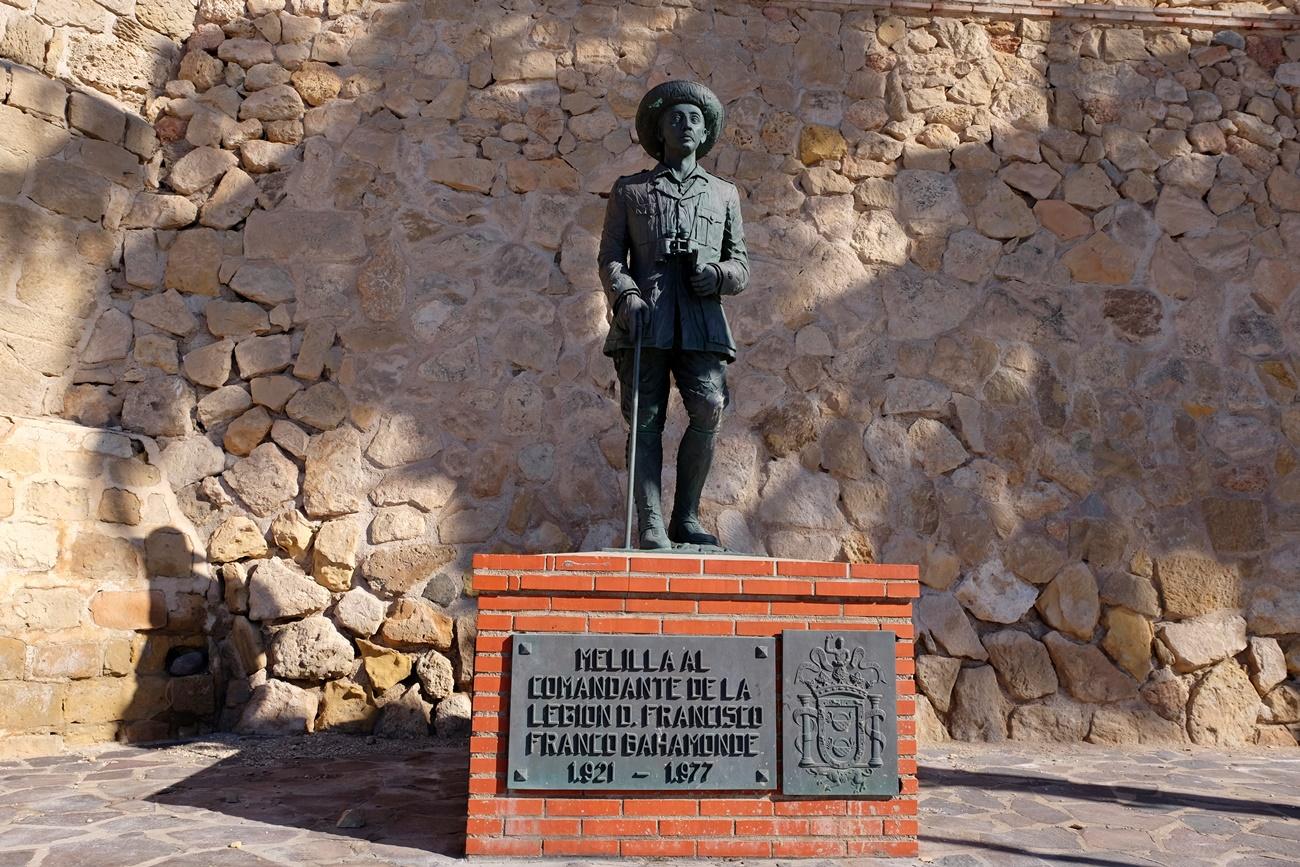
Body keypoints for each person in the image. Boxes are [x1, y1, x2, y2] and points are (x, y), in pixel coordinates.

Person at [598, 81, 749, 550]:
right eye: (676, 118)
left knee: (709, 406)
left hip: (701, 319)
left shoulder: (724, 194)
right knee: (646, 418)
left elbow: (741, 264)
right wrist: (626, 296)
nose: (686, 125)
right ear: (660, 130)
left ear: (705, 134)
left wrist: (718, 275)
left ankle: (685, 517)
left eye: (695, 119)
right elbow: (610, 258)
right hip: (647, 317)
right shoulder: (630, 191)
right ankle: (650, 522)